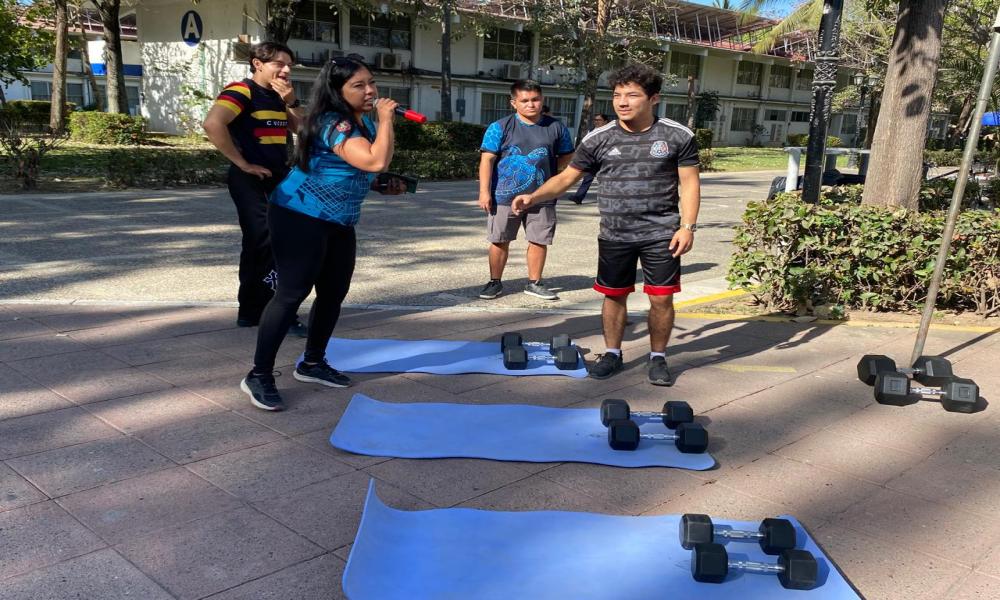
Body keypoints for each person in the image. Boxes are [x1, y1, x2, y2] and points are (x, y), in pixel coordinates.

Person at [511, 64, 701, 386]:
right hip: (615, 233)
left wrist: (688, 227)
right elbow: (568, 178)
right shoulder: (599, 138)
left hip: (662, 233)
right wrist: (534, 197)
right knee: (613, 295)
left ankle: (657, 358)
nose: (622, 102)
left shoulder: (677, 135)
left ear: (653, 98)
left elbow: (690, 184)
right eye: (616, 95)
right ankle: (612, 353)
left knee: (661, 298)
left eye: (632, 95)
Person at [240, 57, 408, 411]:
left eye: (371, 83)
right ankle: (259, 374)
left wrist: (380, 185)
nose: (370, 91)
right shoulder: (333, 122)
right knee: (291, 294)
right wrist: (386, 119)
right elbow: (375, 160)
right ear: (337, 90)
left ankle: (313, 362)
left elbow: (363, 170)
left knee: (333, 292)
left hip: (339, 219)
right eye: (358, 85)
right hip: (299, 214)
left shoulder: (364, 123)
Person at [202, 41, 307, 336]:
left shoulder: (278, 96)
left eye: (289, 65)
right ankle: (279, 312)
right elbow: (212, 124)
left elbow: (305, 131)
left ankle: (251, 311)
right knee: (269, 239)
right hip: (250, 179)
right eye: (278, 64)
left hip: (278, 178)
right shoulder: (241, 91)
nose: (285, 70)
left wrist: (291, 102)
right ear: (257, 64)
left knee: (262, 243)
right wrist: (243, 163)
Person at [477, 80, 575, 301]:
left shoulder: (556, 127)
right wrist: (484, 191)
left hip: (542, 196)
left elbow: (567, 156)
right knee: (499, 239)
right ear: (514, 103)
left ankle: (534, 282)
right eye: (525, 100)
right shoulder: (499, 127)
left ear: (542, 100)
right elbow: (487, 160)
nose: (531, 104)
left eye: (535, 99)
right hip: (503, 196)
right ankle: (494, 282)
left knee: (539, 239)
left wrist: (556, 177)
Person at [567, 113, 611, 204]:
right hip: (593, 159)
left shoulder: (609, 131)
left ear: (605, 121)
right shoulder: (592, 131)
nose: (596, 122)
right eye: (595, 120)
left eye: (599, 120)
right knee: (587, 178)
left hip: (605, 159)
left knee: (607, 180)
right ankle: (578, 197)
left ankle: (610, 199)